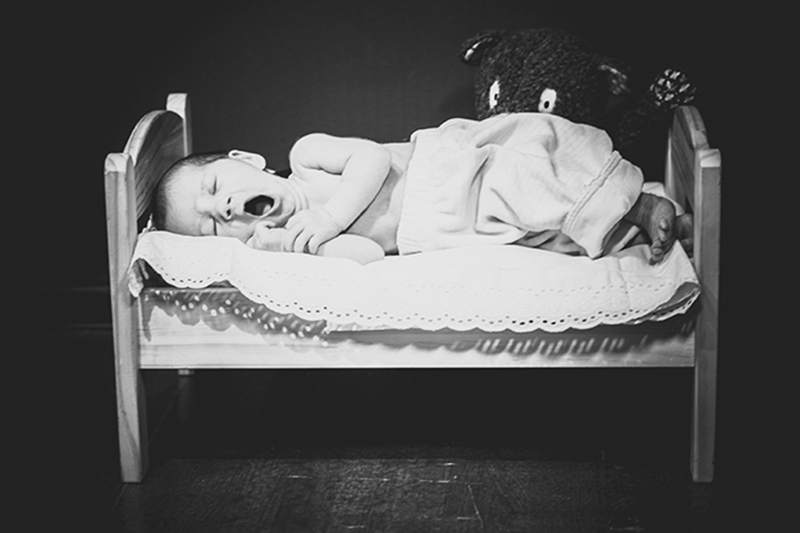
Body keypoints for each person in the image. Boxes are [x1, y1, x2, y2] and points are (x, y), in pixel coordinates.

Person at [152, 112, 692, 265]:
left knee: (530, 182)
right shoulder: (296, 239)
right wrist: (296, 248)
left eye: (214, 186)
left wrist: (329, 218)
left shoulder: (305, 158)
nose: (223, 209)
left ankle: (640, 203)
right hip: (443, 231)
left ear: (246, 161)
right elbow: (367, 255)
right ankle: (652, 232)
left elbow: (370, 158)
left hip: (448, 174)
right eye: (212, 226)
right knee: (553, 237)